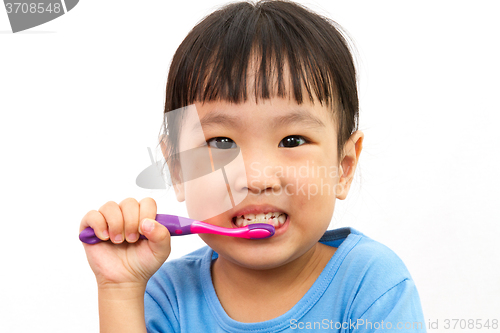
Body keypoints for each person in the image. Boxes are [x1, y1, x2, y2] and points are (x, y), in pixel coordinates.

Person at [80, 1, 426, 332]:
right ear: (177, 168)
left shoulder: (372, 285)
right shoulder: (166, 296)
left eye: (292, 141)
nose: (257, 178)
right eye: (220, 143)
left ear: (344, 166)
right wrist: (119, 289)